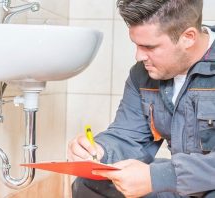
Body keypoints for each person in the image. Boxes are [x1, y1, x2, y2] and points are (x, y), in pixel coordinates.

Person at [67, 0, 215, 197]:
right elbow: (127, 136)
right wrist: (100, 150)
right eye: (137, 45)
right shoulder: (143, 75)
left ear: (188, 37)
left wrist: (159, 177)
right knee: (89, 184)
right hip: (181, 187)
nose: (138, 56)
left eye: (149, 47)